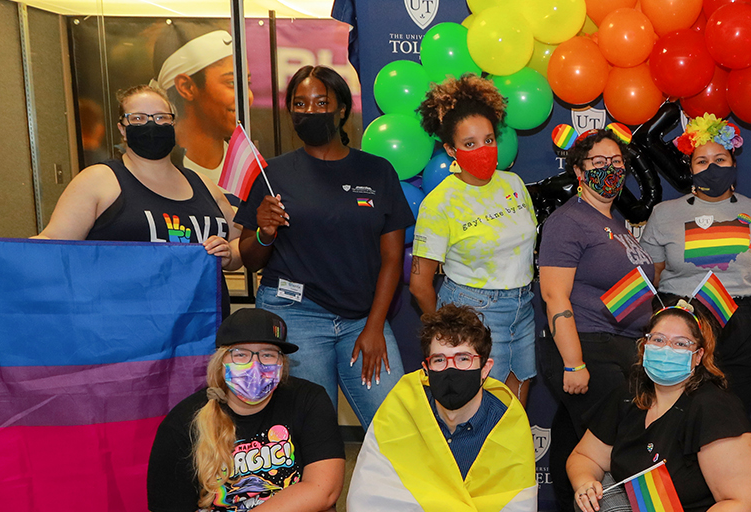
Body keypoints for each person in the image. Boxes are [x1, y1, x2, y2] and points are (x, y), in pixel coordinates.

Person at [235, 65, 412, 431]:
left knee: (398, 427)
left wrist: (375, 325)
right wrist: (266, 231)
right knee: (310, 430)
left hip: (363, 318)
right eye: (300, 104)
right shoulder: (273, 174)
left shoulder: (377, 171)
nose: (310, 112)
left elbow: (392, 259)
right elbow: (251, 259)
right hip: (295, 313)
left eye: (321, 102)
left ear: (342, 109)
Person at [0, 85, 241, 273]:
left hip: (200, 328)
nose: (152, 125)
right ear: (122, 129)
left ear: (174, 124)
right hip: (126, 329)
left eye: (161, 118)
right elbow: (51, 244)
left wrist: (228, 254)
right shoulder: (100, 180)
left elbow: (242, 244)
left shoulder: (203, 184)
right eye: (138, 119)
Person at [537, 126, 657, 508]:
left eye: (617, 161)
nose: (610, 169)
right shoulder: (568, 220)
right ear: (579, 171)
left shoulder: (615, 224)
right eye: (599, 162)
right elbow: (554, 294)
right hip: (587, 346)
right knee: (613, 437)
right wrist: (573, 363)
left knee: (577, 436)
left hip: (622, 345)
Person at [568, 300, 751, 512]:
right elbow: (584, 457)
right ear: (644, 347)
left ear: (698, 356)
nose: (666, 349)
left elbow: (742, 501)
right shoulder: (629, 394)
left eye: (680, 343)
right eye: (658, 340)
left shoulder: (712, 406)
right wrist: (585, 482)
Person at [411, 74, 538, 404]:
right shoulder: (439, 203)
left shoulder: (514, 184)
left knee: (514, 409)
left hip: (523, 307)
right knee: (474, 411)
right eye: (469, 144)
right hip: (472, 310)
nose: (482, 150)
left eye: (488, 139)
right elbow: (420, 283)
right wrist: (447, 333)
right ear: (451, 149)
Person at [147, 308, 344, 511]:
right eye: (241, 354)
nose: (255, 366)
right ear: (220, 362)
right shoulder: (182, 424)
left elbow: (324, 490)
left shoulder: (308, 400)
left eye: (268, 355)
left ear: (282, 363)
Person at [346, 304, 538, 511]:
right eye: (439, 360)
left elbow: (516, 504)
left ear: (485, 369)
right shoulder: (401, 412)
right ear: (426, 370)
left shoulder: (508, 424)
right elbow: (368, 499)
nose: (450, 369)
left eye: (463, 359)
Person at [640, 113, 751, 413]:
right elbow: (652, 277)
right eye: (702, 161)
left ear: (733, 165)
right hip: (684, 321)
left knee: (734, 413)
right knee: (680, 411)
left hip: (743, 324)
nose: (712, 168)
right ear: (690, 167)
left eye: (721, 160)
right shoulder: (664, 213)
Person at [152, 28, 237, 189]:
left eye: (248, 83)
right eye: (231, 83)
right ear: (187, 87)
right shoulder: (155, 172)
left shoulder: (247, 165)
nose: (248, 96)